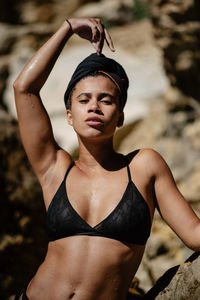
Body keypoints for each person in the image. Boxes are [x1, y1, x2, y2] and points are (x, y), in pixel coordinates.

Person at [13, 17, 200, 300]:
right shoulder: (54, 168)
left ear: (120, 116)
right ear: (69, 115)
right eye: (84, 99)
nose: (94, 107)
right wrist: (67, 28)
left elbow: (194, 234)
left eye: (107, 100)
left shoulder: (143, 166)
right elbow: (24, 88)